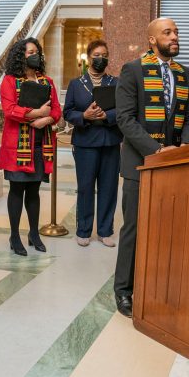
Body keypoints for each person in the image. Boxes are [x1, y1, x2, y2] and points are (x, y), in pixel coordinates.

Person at [114, 18, 189, 317]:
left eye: (176, 32)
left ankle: (161, 284)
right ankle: (124, 290)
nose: (174, 37)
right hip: (140, 164)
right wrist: (157, 149)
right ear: (151, 40)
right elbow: (125, 119)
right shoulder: (133, 70)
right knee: (134, 229)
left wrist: (183, 148)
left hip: (175, 165)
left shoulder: (185, 73)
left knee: (170, 229)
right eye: (168, 33)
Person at [0, 38, 62, 256]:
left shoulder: (48, 81)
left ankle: (33, 233)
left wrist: (46, 120)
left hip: (40, 145)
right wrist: (35, 114)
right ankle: (14, 236)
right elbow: (9, 110)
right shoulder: (9, 81)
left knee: (34, 191)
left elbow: (56, 110)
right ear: (20, 55)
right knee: (17, 190)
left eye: (37, 51)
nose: (34, 55)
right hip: (17, 147)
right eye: (29, 52)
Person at [63, 39, 122, 247]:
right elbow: (68, 112)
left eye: (104, 55)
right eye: (96, 55)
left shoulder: (115, 82)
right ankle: (84, 230)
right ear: (88, 58)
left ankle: (105, 230)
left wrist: (107, 115)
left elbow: (124, 109)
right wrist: (85, 116)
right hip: (85, 143)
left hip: (109, 142)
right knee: (86, 187)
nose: (101, 58)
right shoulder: (76, 84)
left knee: (108, 188)